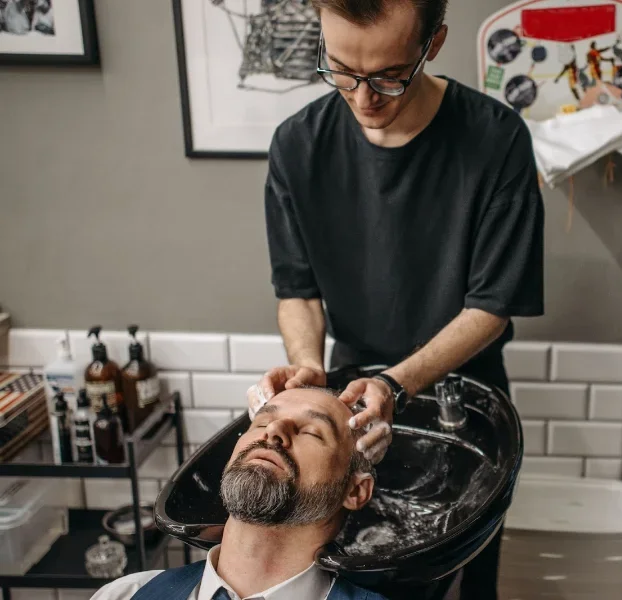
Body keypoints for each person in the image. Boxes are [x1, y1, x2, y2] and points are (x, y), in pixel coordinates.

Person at [257, 0, 544, 597]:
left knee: (465, 580)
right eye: (340, 70)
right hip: (352, 397)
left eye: (389, 76)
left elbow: (491, 305)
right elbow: (298, 292)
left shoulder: (495, 140)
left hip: (466, 402)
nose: (364, 99)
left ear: (432, 44)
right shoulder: (297, 146)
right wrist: (308, 368)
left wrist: (396, 383)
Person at [91, 387, 385, 600]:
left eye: (311, 432)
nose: (274, 431)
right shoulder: (123, 596)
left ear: (356, 491)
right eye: (260, 422)